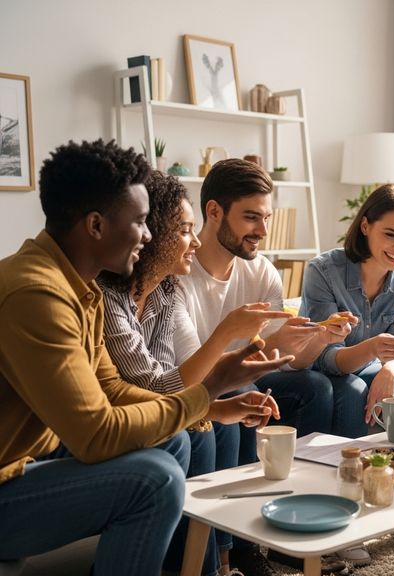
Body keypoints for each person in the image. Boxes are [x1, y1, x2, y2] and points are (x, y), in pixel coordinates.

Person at [0, 140, 287, 576]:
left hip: (30, 457)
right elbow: (95, 434)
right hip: (9, 477)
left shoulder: (81, 287)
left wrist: (212, 406)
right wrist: (205, 390)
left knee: (172, 440)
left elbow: (112, 389)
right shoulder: (38, 294)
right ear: (96, 225)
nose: (149, 234)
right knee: (157, 478)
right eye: (139, 221)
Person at [98, 171, 284, 576]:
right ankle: (205, 565)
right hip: (110, 419)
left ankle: (217, 561)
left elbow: (168, 379)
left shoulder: (162, 292)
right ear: (151, 236)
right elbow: (155, 384)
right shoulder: (107, 298)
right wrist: (225, 337)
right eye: (185, 230)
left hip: (150, 406)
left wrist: (216, 408)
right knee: (188, 435)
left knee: (205, 428)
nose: (196, 240)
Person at [175, 158, 349, 575]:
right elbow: (192, 373)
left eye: (266, 217)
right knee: (230, 394)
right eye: (251, 217)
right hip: (198, 382)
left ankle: (295, 527)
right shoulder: (180, 274)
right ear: (213, 211)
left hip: (241, 376)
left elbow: (279, 361)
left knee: (315, 388)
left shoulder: (262, 271)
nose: (263, 231)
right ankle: (232, 550)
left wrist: (313, 340)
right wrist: (264, 348)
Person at [300, 183, 394, 562]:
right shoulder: (324, 270)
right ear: (365, 227)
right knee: (353, 390)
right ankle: (348, 515)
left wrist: (389, 368)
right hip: (329, 369)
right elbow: (327, 356)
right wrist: (373, 350)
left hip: (378, 363)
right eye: (390, 234)